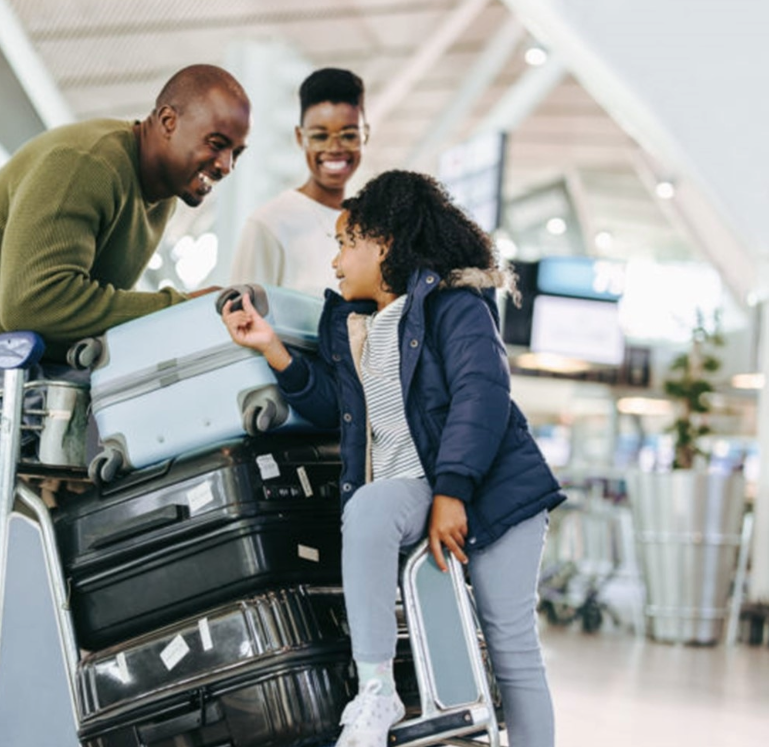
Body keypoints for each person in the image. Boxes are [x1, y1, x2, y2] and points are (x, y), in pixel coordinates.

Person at [0, 64, 251, 747]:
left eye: (236, 152)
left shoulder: (153, 198)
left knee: (5, 581)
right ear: (166, 120)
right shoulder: (87, 163)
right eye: (216, 142)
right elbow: (37, 301)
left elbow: (76, 319)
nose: (225, 162)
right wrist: (174, 307)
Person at [220, 170, 564, 747]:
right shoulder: (354, 326)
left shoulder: (457, 306)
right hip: (416, 487)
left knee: (511, 646)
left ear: (383, 243)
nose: (335, 263)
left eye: (345, 244)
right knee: (372, 508)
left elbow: (483, 395)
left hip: (496, 492)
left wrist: (453, 492)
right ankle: (375, 691)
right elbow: (336, 406)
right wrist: (272, 348)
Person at [230, 68, 367, 295]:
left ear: (365, 136)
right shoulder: (269, 225)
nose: (334, 149)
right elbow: (240, 319)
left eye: (349, 135)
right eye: (320, 136)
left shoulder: (369, 225)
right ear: (299, 137)